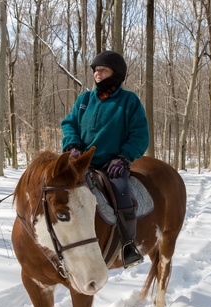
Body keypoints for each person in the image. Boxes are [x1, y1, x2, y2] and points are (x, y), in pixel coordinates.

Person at [61, 50, 149, 268]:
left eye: (102, 70)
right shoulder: (84, 99)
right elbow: (69, 123)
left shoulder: (129, 101)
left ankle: (128, 246)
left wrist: (124, 157)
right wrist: (72, 145)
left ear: (115, 74)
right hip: (82, 162)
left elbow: (140, 134)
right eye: (95, 70)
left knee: (122, 195)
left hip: (112, 165)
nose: (97, 74)